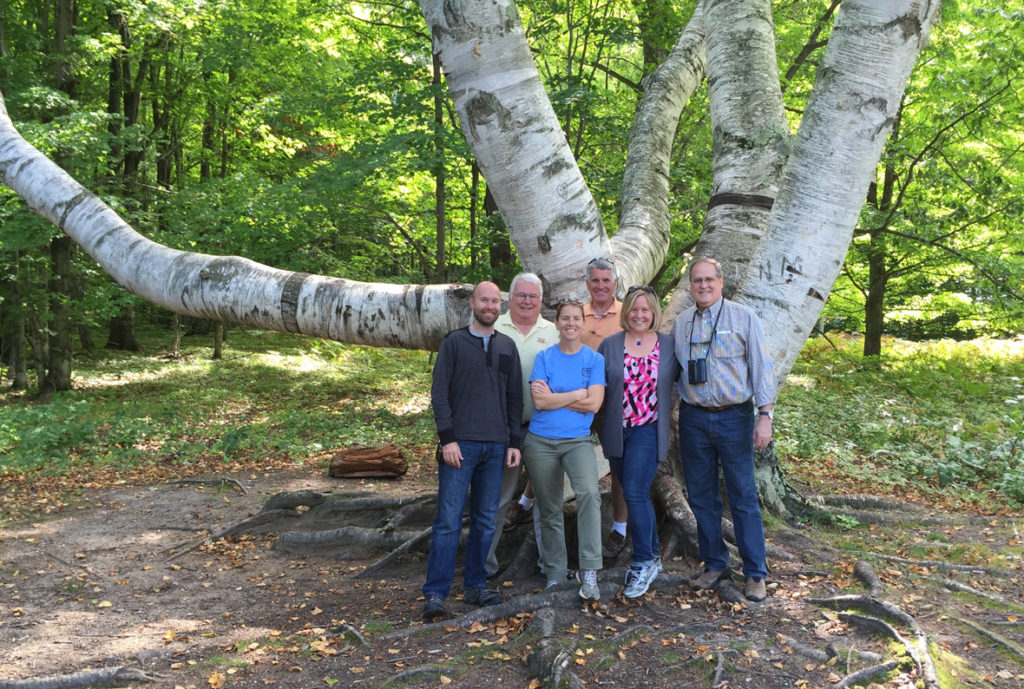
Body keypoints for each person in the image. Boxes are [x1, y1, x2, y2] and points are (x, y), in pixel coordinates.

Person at [672, 258, 777, 602]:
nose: (703, 285)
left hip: (735, 418)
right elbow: (672, 373)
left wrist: (765, 416)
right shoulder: (682, 324)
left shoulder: (743, 317)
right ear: (691, 286)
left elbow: (762, 369)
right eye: (697, 281)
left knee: (743, 496)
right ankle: (715, 563)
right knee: (701, 496)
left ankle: (755, 572)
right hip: (694, 419)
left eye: (709, 280)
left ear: (720, 281)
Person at [423, 281, 523, 619]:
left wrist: (513, 442)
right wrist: (447, 438)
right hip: (460, 446)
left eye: (495, 301)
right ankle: (435, 593)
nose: (490, 306)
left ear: (501, 306)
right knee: (448, 520)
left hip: (496, 447)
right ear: (472, 303)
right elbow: (439, 394)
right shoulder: (453, 344)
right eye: (484, 300)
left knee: (485, 519)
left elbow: (514, 399)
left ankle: (475, 586)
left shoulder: (508, 347)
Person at [597, 285, 679, 598]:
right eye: (634, 309)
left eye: (645, 310)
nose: (639, 315)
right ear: (626, 312)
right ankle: (643, 555)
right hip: (617, 430)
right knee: (626, 486)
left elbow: (681, 382)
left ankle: (646, 560)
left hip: (649, 429)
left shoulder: (669, 345)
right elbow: (599, 387)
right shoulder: (611, 345)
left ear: (654, 313)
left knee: (633, 490)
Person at [525, 299, 606, 599]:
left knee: (588, 493)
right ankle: (555, 575)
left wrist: (556, 395)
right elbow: (540, 402)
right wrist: (576, 394)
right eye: (565, 319)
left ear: (583, 324)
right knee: (548, 508)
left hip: (577, 441)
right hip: (540, 441)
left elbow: (594, 404)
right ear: (556, 323)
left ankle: (589, 572)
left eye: (576, 318)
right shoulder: (544, 357)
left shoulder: (594, 360)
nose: (571, 324)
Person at [485, 273, 558, 578]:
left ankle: (551, 568)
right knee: (497, 499)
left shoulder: (553, 332)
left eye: (533, 296)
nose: (527, 301)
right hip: (502, 430)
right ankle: (484, 567)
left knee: (547, 500)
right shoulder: (492, 327)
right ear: (510, 298)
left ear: (541, 300)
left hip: (544, 427)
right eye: (521, 295)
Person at [580, 257, 630, 562]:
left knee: (618, 462)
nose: (601, 285)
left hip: (616, 400)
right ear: (588, 283)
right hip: (579, 399)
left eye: (606, 280)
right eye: (595, 280)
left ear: (615, 283)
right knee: (556, 443)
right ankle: (527, 501)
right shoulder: (577, 314)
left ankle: (620, 527)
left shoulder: (628, 313)